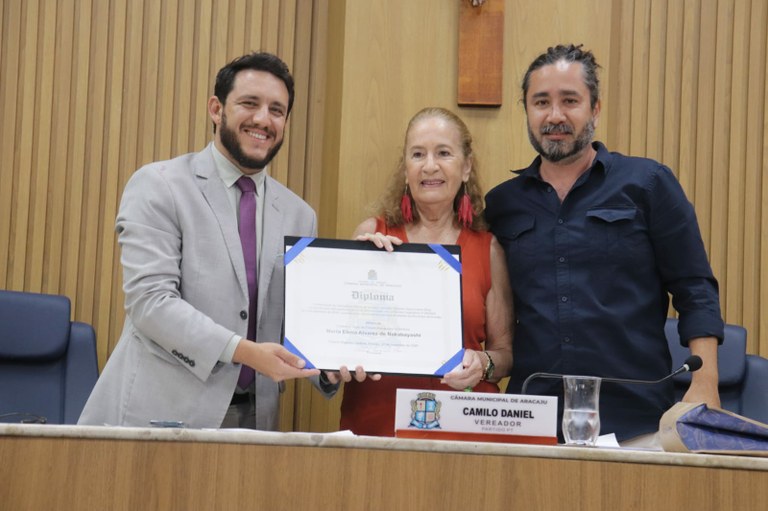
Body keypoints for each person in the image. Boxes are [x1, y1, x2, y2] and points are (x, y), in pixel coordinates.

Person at [484, 44, 723, 443]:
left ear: (594, 108)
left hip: (636, 414)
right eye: (541, 102)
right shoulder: (502, 204)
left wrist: (706, 383)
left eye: (570, 101)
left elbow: (695, 289)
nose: (555, 115)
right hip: (531, 416)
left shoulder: (647, 184)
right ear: (526, 110)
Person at [78, 52, 321, 430]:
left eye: (277, 110)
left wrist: (335, 363)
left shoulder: (299, 214)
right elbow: (151, 303)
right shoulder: (160, 185)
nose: (263, 119)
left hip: (256, 421)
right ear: (216, 108)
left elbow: (301, 323)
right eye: (249, 104)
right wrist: (246, 353)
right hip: (161, 416)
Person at [324, 107, 514, 437]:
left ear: (466, 166)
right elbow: (338, 338)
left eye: (443, 153)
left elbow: (506, 355)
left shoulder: (489, 249)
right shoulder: (373, 235)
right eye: (417, 154)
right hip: (377, 426)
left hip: (463, 432)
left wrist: (483, 364)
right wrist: (362, 269)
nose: (429, 166)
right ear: (406, 168)